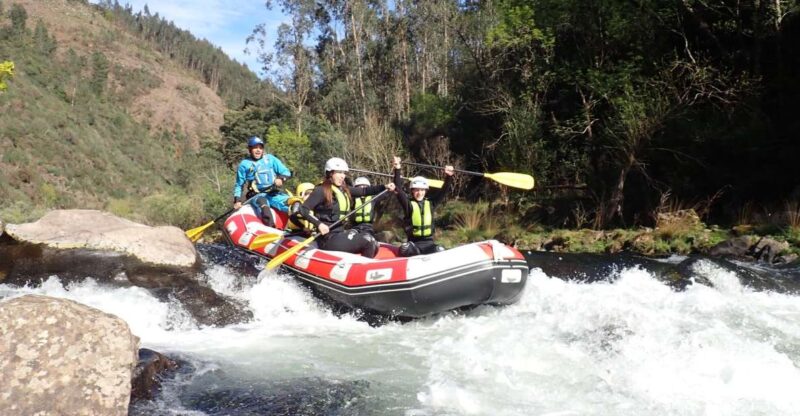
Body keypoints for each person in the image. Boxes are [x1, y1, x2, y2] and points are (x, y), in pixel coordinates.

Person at [297, 157, 395, 258]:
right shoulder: (321, 190)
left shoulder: (344, 190)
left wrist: (384, 186)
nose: (343, 176)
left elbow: (365, 191)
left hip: (339, 234)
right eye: (339, 172)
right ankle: (360, 270)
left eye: (344, 173)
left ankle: (360, 266)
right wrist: (319, 224)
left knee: (372, 242)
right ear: (330, 173)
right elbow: (303, 209)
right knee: (367, 240)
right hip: (327, 238)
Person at [392, 156, 454, 256]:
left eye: (422, 190)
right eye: (417, 190)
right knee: (404, 248)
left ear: (425, 191)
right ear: (412, 191)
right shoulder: (408, 204)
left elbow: (443, 191)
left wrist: (449, 176)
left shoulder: (431, 203)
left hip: (429, 244)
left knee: (441, 249)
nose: (419, 193)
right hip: (413, 244)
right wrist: (397, 168)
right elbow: (398, 189)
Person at [232, 136, 292, 226]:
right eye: (255, 148)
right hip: (257, 196)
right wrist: (237, 200)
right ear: (250, 149)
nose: (258, 150)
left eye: (260, 148)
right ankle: (272, 230)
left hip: (274, 194)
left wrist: (281, 178)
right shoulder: (244, 164)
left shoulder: (270, 159)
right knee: (264, 205)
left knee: (295, 204)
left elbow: (286, 172)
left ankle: (305, 230)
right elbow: (239, 185)